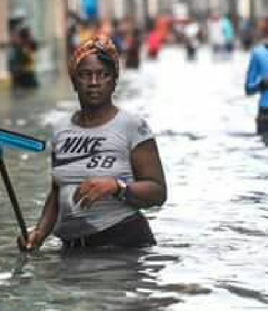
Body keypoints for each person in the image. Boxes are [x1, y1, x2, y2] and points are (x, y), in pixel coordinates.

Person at [19, 35, 168, 251]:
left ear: (114, 81)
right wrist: (39, 233)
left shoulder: (132, 126)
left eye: (103, 74)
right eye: (85, 75)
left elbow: (158, 192)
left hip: (122, 244)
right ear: (74, 82)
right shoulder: (60, 130)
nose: (94, 82)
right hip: (71, 251)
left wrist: (116, 187)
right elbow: (57, 192)